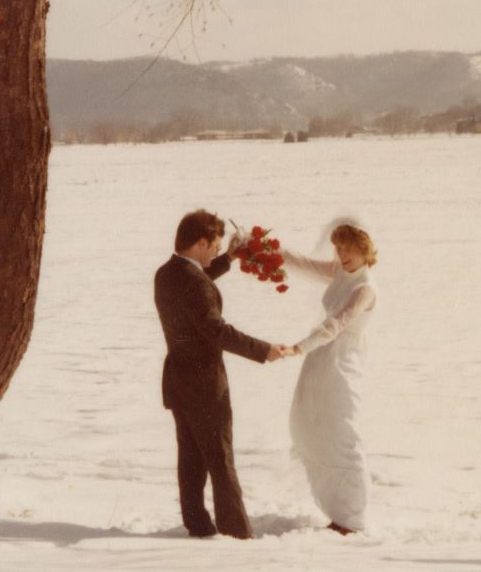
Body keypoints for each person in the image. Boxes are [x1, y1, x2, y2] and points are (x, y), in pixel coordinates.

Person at [154, 209, 293, 540]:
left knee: (190, 456)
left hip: (178, 379)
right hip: (204, 384)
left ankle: (198, 524)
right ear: (202, 242)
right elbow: (216, 329)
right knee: (219, 458)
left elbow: (199, 283)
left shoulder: (167, 273)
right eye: (215, 245)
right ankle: (236, 533)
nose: (217, 250)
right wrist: (263, 350)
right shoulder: (193, 282)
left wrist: (229, 257)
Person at [281, 216, 379, 535]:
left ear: (364, 249)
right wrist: (268, 250)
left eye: (349, 249)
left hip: (341, 361)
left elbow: (338, 322)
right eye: (338, 249)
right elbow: (304, 264)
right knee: (312, 424)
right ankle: (338, 512)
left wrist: (300, 347)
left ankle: (353, 516)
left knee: (342, 431)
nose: (342, 255)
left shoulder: (365, 288)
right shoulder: (339, 270)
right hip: (320, 360)